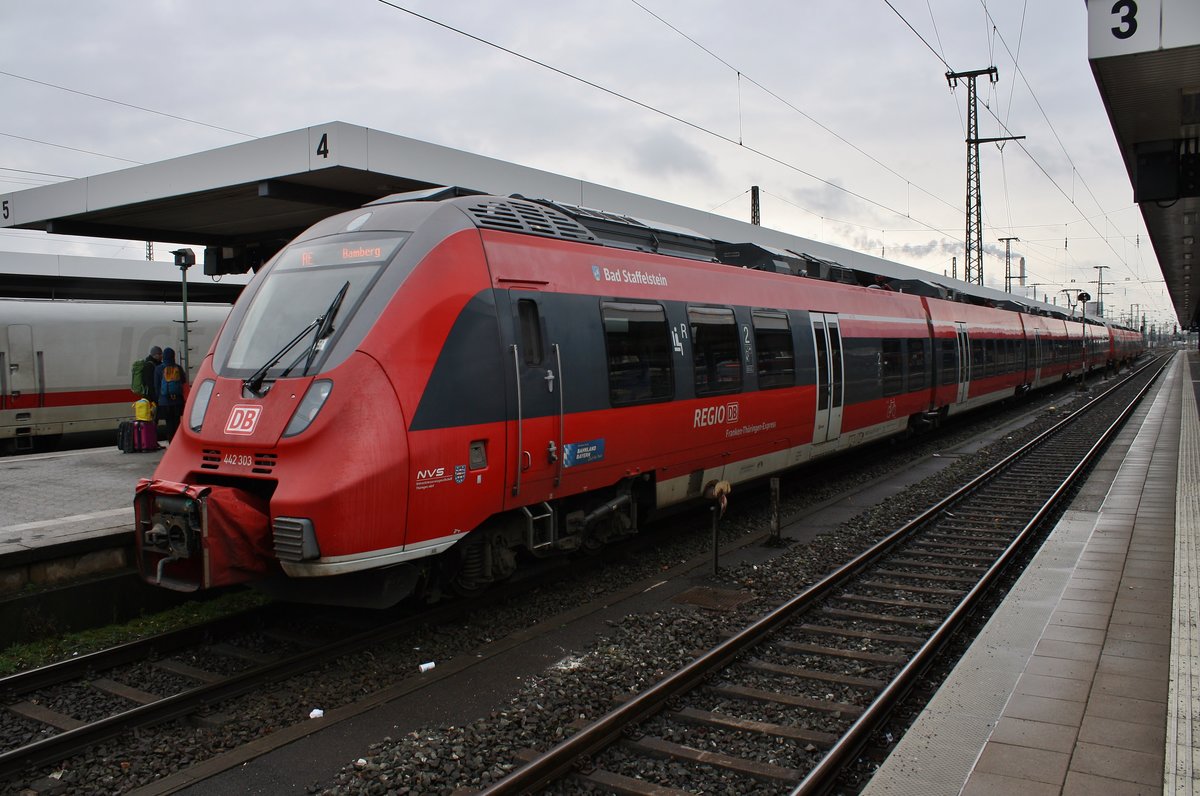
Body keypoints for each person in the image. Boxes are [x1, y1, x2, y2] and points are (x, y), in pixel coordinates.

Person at [154, 347, 188, 442]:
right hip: (177, 401)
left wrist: (159, 400)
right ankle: (178, 443)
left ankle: (171, 443)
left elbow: (157, 386)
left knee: (169, 424)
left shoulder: (159, 369)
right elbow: (183, 382)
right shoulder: (178, 368)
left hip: (165, 402)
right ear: (173, 356)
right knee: (176, 422)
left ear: (164, 356)